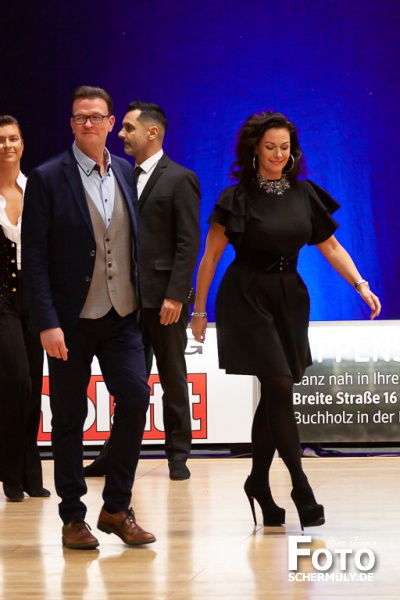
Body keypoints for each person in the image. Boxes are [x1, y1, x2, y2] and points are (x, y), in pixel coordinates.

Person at [190, 110, 381, 529]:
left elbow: (331, 247)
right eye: (270, 147)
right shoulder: (236, 198)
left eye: (285, 147)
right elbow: (210, 257)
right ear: (254, 150)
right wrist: (199, 310)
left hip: (289, 298)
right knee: (278, 384)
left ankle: (258, 482)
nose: (278, 154)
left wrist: (360, 284)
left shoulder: (304, 194)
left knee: (275, 392)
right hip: (246, 296)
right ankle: (300, 486)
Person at [21, 86, 155, 549]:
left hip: (122, 314)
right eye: (80, 117)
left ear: (112, 123)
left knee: (136, 398)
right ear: (71, 124)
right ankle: (73, 517)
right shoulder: (47, 178)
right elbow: (34, 258)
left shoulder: (125, 172)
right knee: (69, 417)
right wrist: (46, 322)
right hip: (69, 320)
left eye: (97, 117)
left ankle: (116, 508)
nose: (88, 124)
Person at [84, 101, 201, 481]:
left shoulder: (179, 178)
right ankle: (113, 455)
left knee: (173, 377)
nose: (121, 134)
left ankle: (178, 455)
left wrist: (175, 295)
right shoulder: (118, 175)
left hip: (164, 300)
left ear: (152, 132)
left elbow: (188, 242)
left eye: (128, 127)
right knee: (129, 383)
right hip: (126, 300)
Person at [0, 115, 50, 502]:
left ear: (22, 143)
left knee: (33, 385)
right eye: (1, 140)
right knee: (17, 382)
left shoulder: (36, 189)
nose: (7, 145)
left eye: (13, 138)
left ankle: (31, 472)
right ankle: (10, 471)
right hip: (1, 297)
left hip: (33, 297)